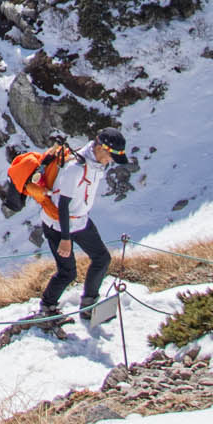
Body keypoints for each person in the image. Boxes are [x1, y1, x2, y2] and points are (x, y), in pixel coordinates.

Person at [36, 126, 128, 322]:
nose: (111, 161)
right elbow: (63, 205)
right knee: (68, 272)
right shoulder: (75, 168)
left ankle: (89, 305)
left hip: (80, 220)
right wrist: (65, 240)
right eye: (111, 156)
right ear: (101, 148)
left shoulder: (96, 164)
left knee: (102, 258)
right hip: (59, 225)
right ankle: (46, 309)